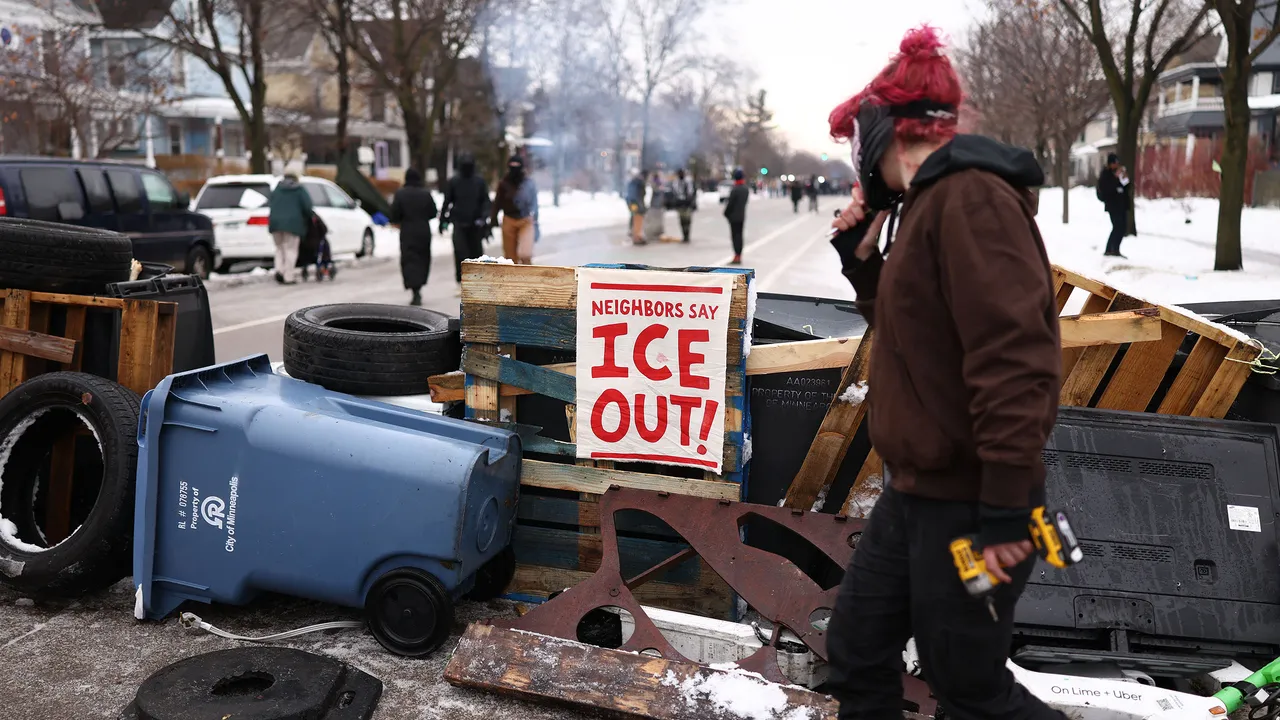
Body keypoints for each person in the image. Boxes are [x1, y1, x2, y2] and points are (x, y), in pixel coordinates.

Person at [824, 26, 1064, 720]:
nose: (853, 164)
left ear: (883, 135)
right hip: (919, 493)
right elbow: (915, 339)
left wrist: (1005, 511)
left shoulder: (971, 200)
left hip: (969, 502)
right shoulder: (927, 205)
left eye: (854, 146)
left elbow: (1015, 360)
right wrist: (861, 258)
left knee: (969, 687)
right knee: (859, 650)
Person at [440, 152, 492, 294]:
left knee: (476, 254)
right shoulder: (454, 181)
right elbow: (447, 201)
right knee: (460, 253)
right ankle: (461, 282)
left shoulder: (479, 182)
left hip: (475, 224)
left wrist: (484, 217)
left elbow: (486, 201)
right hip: (459, 223)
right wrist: (442, 221)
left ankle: (477, 282)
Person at [389, 167, 438, 306]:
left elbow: (394, 214)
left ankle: (414, 289)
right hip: (423, 231)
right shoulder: (425, 194)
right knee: (422, 258)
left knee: (409, 259)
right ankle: (419, 286)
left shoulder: (400, 194)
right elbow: (433, 212)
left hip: (408, 231)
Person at [491, 154, 539, 264]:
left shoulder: (528, 183)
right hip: (509, 220)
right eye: (512, 166)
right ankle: (513, 280)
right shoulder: (503, 184)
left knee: (525, 254)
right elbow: (497, 202)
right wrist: (493, 218)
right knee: (510, 259)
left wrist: (536, 221)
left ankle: (528, 279)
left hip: (525, 220)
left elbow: (534, 202)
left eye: (517, 166)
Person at [266, 173, 313, 285]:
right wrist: (309, 218)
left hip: (275, 223)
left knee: (279, 248)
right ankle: (288, 277)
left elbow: (271, 203)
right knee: (290, 250)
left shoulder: (277, 189)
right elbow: (307, 206)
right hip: (293, 224)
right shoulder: (299, 190)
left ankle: (279, 270)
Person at [1096, 153, 1130, 258]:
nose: (1116, 165)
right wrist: (1115, 179)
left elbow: (1125, 187)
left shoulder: (1118, 174)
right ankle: (1109, 249)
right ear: (1110, 164)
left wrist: (1124, 178)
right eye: (1114, 163)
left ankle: (1116, 249)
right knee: (1117, 226)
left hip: (1121, 205)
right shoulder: (1106, 174)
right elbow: (1107, 189)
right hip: (1113, 205)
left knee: (1122, 227)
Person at [723, 168, 748, 265]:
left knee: (735, 236)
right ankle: (739, 254)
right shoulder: (745, 189)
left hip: (733, 217)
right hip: (741, 216)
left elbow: (730, 204)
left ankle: (737, 256)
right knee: (740, 236)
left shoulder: (735, 189)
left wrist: (726, 213)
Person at [671, 168, 697, 242]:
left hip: (687, 204)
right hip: (680, 204)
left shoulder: (688, 182)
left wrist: (691, 202)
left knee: (687, 220)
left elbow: (692, 193)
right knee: (682, 221)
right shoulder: (676, 182)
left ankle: (687, 235)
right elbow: (675, 193)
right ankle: (684, 235)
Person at [644, 171, 668, 244]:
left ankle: (657, 233)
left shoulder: (658, 183)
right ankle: (652, 234)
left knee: (657, 221)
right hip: (654, 206)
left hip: (658, 206)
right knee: (653, 221)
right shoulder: (654, 184)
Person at [626, 170, 648, 244]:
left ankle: (634, 233)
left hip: (634, 204)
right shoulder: (638, 183)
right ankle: (637, 236)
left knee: (634, 217)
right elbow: (636, 196)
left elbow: (630, 196)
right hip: (636, 204)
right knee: (637, 217)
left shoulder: (633, 183)